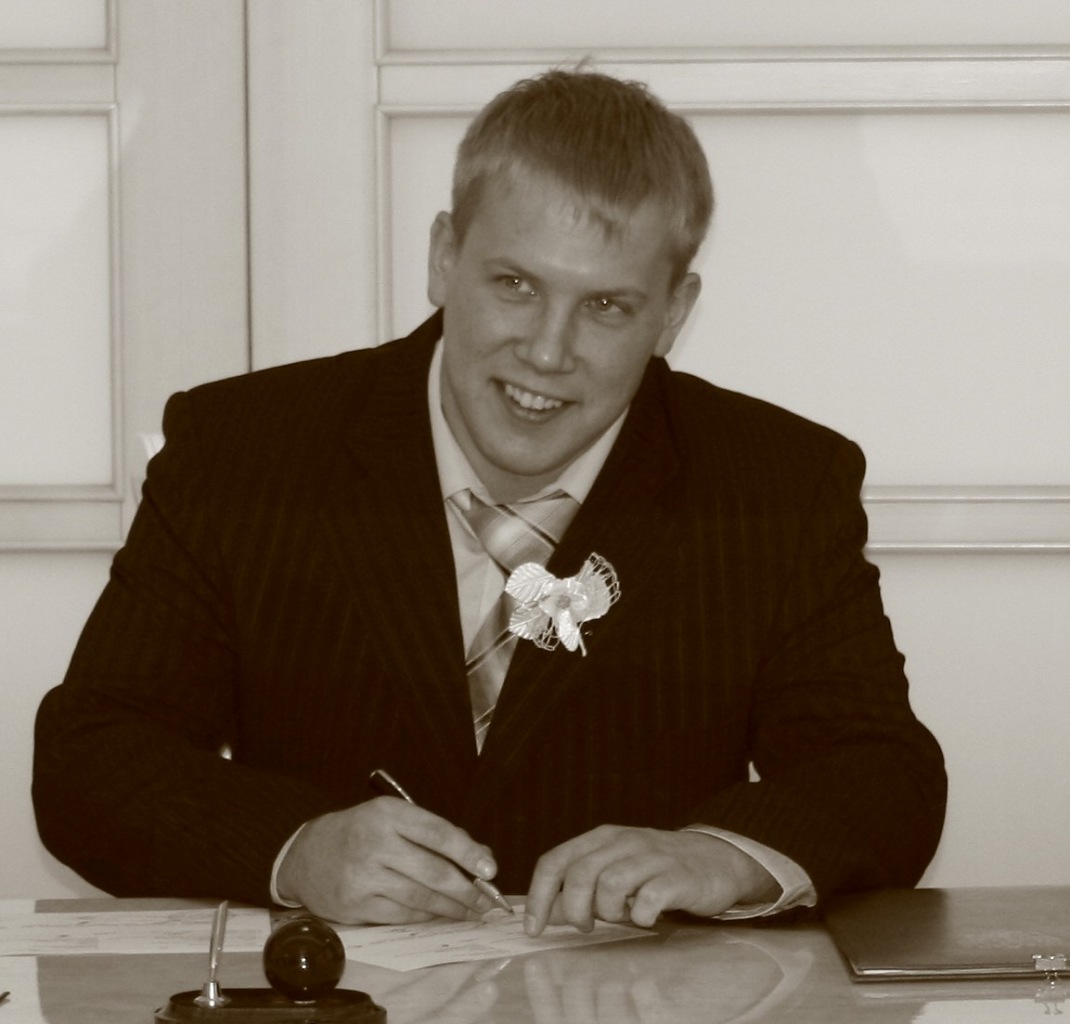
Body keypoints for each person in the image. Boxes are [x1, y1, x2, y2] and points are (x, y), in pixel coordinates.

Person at [33, 68, 946, 936]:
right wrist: (296, 849)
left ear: (673, 312)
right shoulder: (242, 452)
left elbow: (881, 772)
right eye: (515, 285)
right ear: (444, 258)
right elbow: (92, 757)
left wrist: (723, 856)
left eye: (607, 307)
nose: (547, 352)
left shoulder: (777, 485)